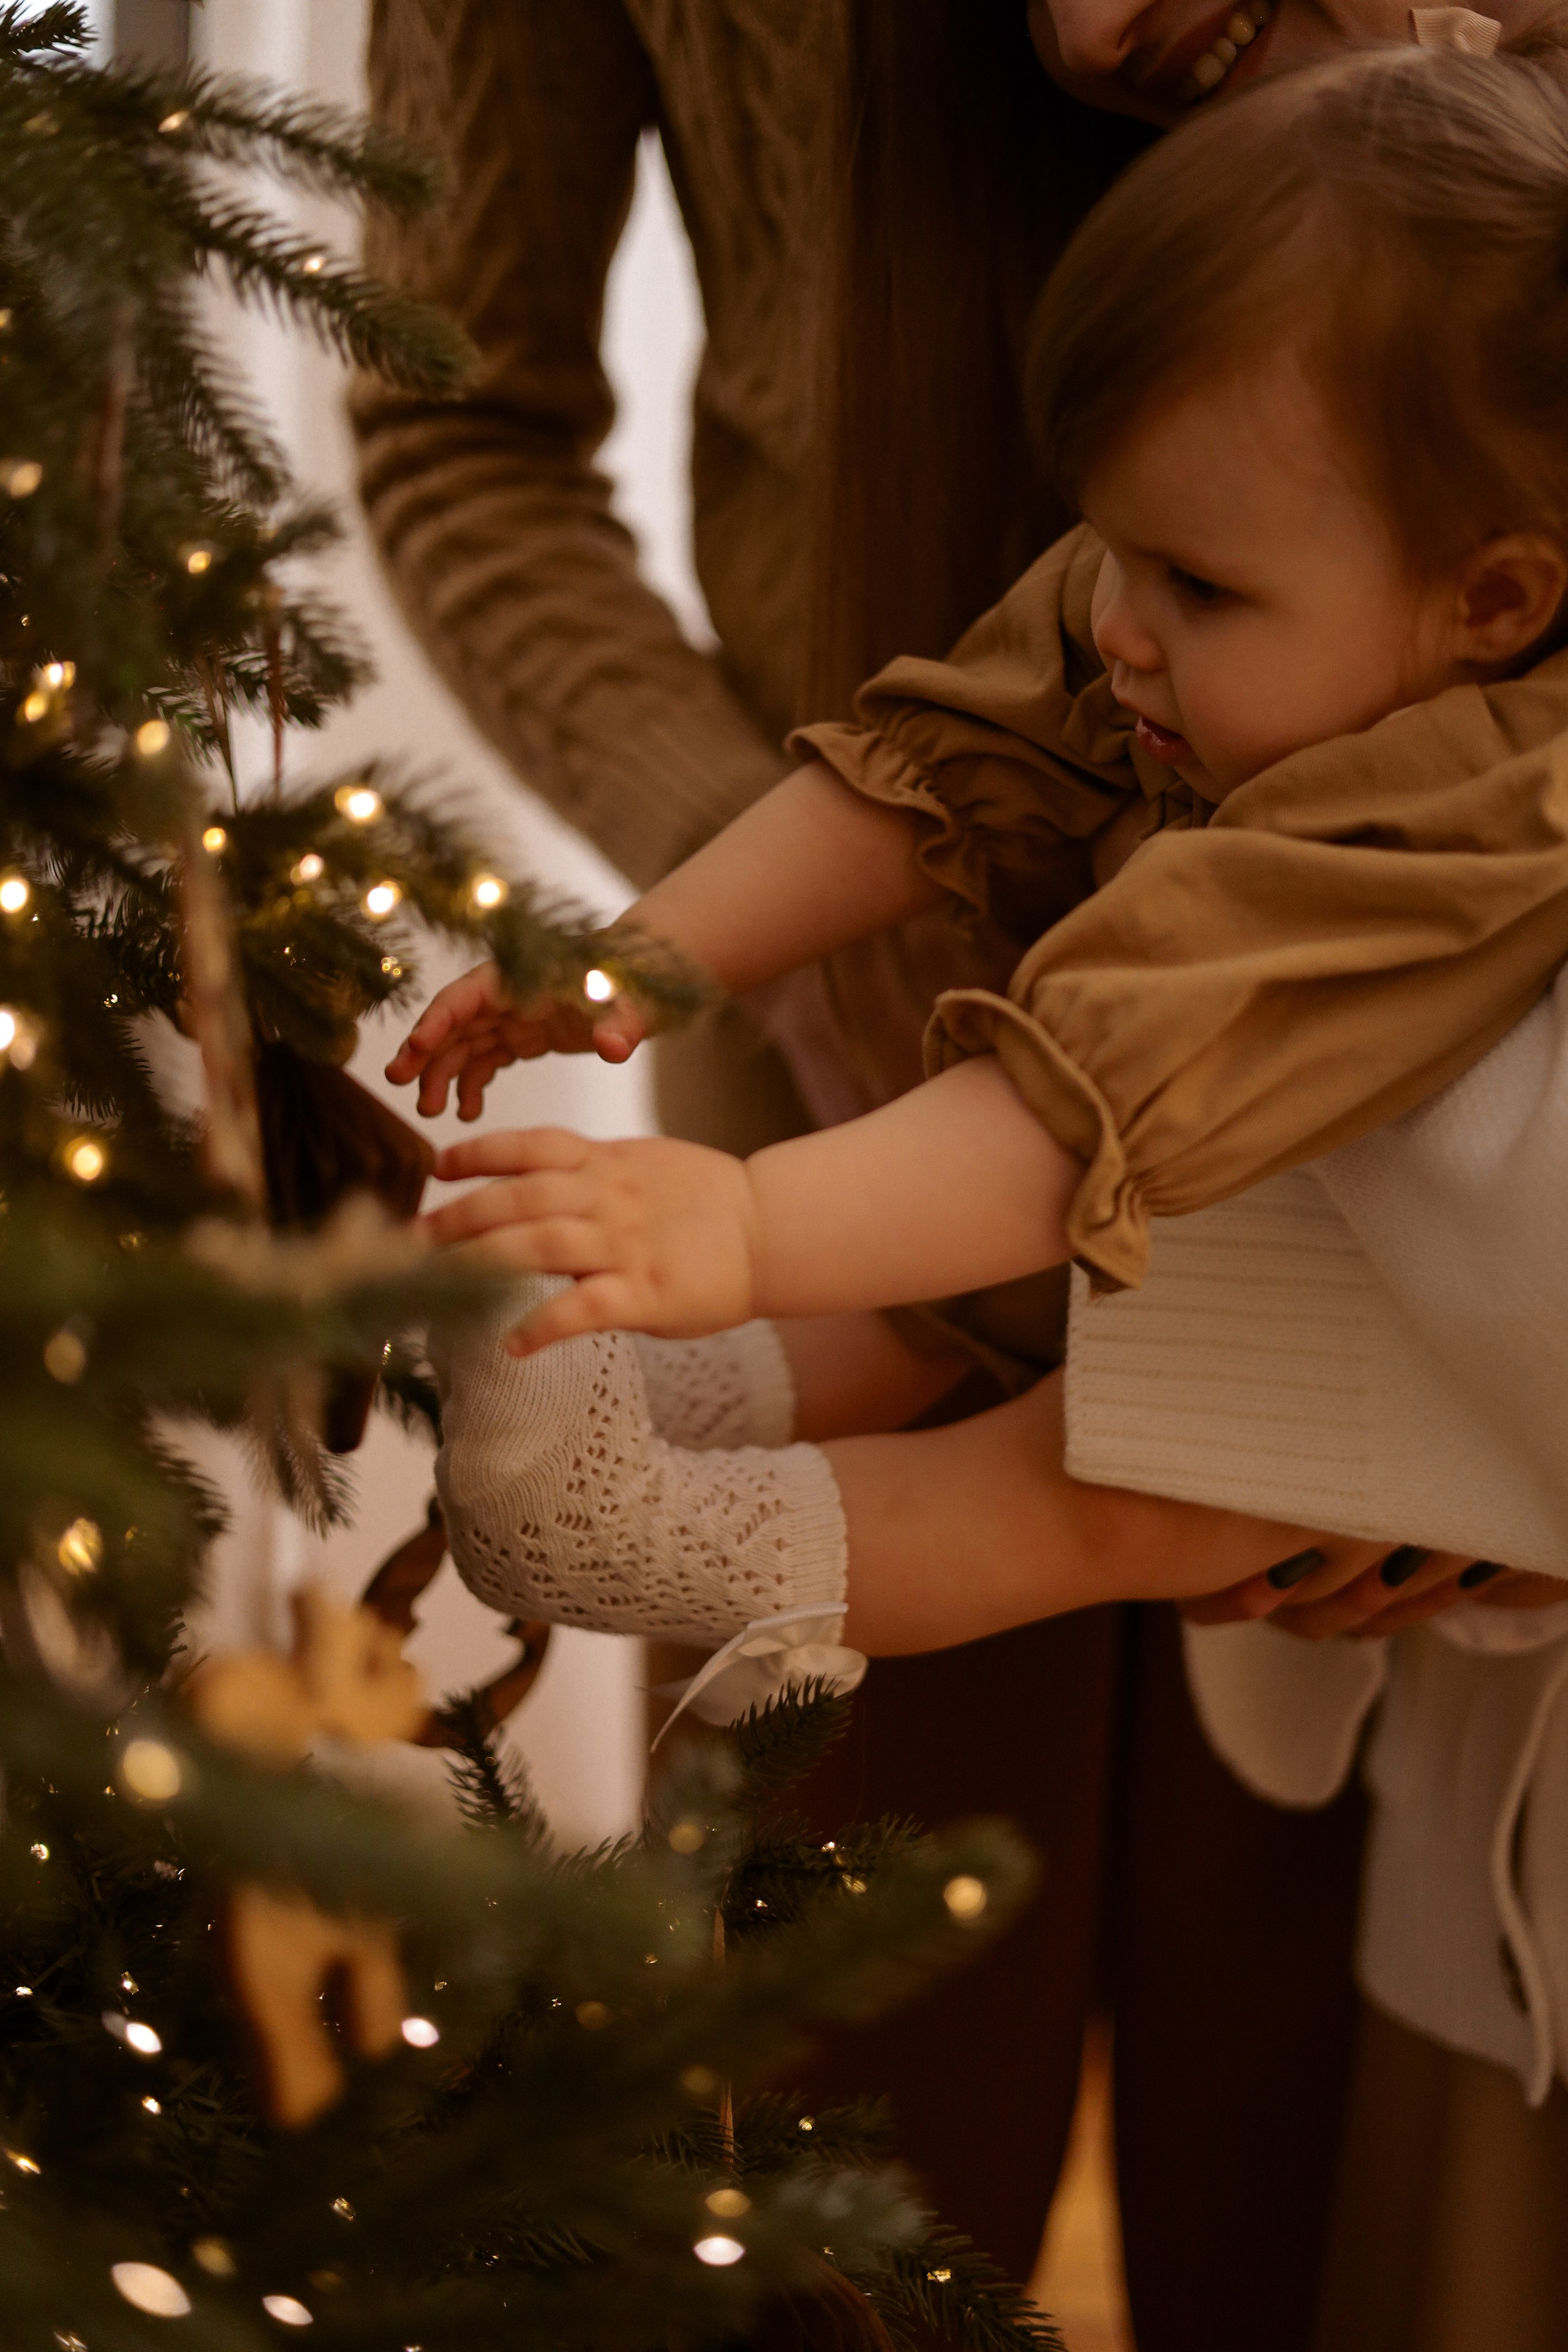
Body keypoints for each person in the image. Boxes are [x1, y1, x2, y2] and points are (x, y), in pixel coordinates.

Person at [398, 40, 1568, 1629]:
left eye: (1199, 591)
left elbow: (1101, 1091)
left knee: (1113, 1493)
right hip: (1234, 1158)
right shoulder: (1234, 580)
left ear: (1496, 600)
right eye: (1114, 549)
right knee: (969, 1300)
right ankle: (627, 1401)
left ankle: (598, 1527)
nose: (1125, 629)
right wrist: (651, 956)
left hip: (1459, 1301)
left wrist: (743, 1223)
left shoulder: (1444, 805)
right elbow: (940, 755)